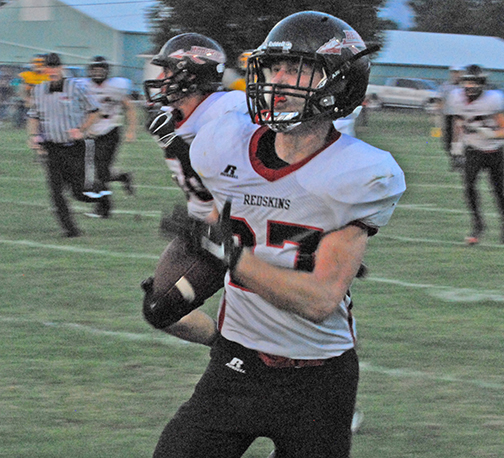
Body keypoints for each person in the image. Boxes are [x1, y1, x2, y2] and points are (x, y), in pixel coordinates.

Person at [148, 11, 406, 458]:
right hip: (235, 362)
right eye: (274, 67)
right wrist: (196, 255)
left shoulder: (361, 171)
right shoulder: (219, 144)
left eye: (298, 68)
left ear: (339, 82)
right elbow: (222, 220)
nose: (279, 79)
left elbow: (320, 300)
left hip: (318, 380)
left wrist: (232, 254)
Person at [141, 33, 247, 344]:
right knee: (159, 309)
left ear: (192, 74)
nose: (161, 79)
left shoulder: (228, 112)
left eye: (169, 71)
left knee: (264, 315)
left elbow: (239, 180)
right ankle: (225, 348)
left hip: (240, 230)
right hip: (202, 228)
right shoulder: (176, 116)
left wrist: (179, 148)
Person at [27, 52, 103, 237]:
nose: (51, 70)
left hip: (74, 147)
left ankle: (102, 193)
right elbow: (33, 116)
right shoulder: (38, 91)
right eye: (48, 67)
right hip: (52, 147)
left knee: (78, 191)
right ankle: (70, 229)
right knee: (55, 190)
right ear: (44, 69)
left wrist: (82, 129)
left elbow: (94, 112)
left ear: (61, 68)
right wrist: (33, 136)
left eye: (54, 67)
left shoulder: (76, 87)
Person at [448, 64, 504, 245]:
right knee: (469, 187)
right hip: (473, 151)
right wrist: (456, 148)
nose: (470, 87)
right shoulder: (456, 97)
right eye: (467, 82)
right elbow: (458, 122)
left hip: (495, 150)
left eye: (474, 82)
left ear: (482, 84)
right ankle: (477, 226)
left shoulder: (493, 99)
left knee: (499, 192)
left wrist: (489, 133)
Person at [81, 56, 137, 218]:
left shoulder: (115, 87)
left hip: (111, 132)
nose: (98, 73)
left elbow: (130, 108)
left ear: (107, 72)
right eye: (95, 70)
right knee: (98, 172)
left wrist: (131, 130)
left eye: (101, 70)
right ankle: (122, 176)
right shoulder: (83, 87)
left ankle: (104, 208)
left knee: (99, 171)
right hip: (91, 132)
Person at [438, 66, 464, 169]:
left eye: (458, 72)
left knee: (460, 140)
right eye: (454, 72)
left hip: (461, 116)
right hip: (448, 116)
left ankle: (460, 161)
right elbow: (441, 101)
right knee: (448, 140)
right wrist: (439, 115)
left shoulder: (465, 86)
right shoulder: (445, 86)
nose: (456, 75)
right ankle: (454, 159)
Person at [18, 55, 49, 128]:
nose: (39, 64)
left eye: (41, 62)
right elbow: (21, 90)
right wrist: (27, 99)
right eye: (36, 62)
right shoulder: (26, 75)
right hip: (30, 101)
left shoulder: (49, 75)